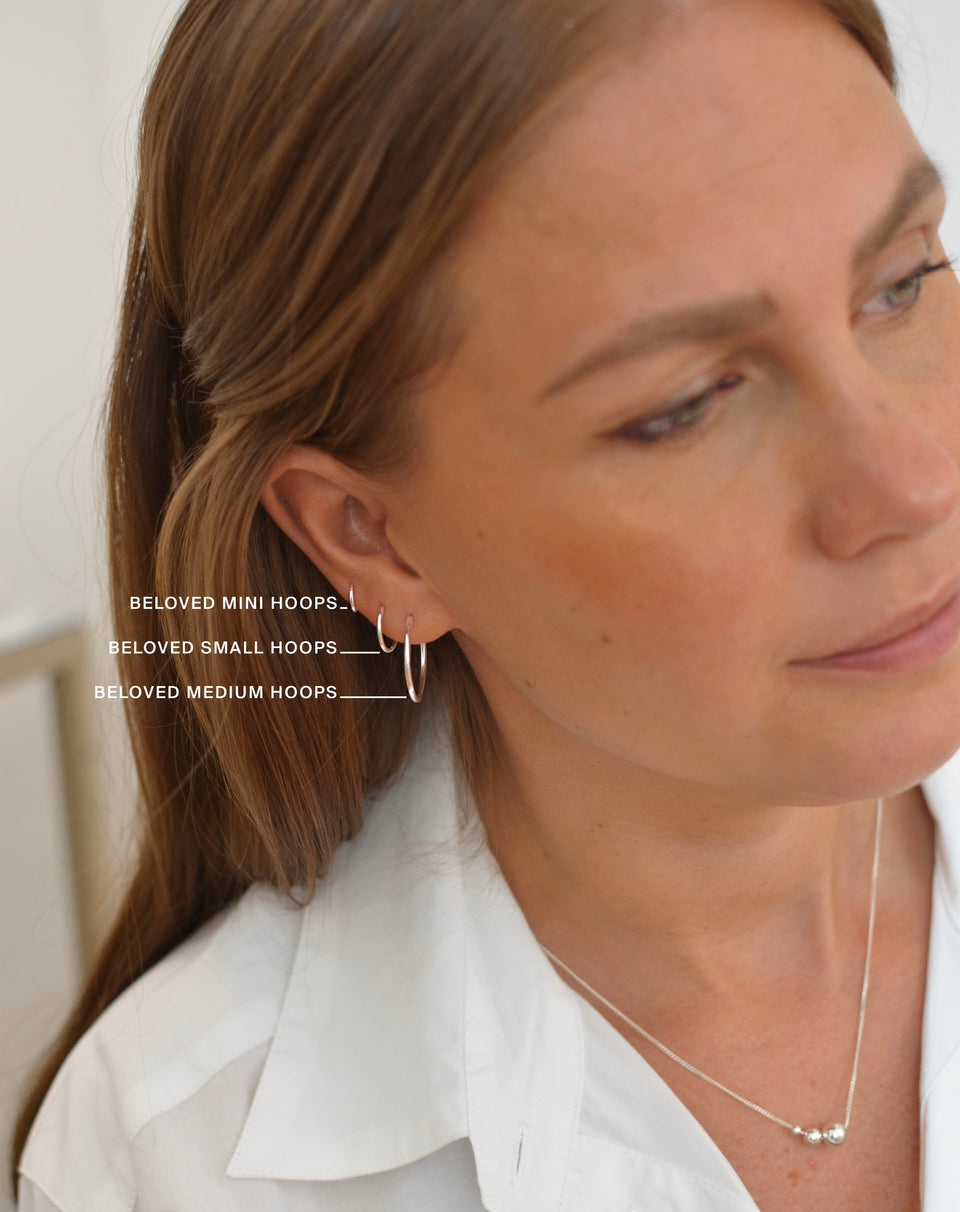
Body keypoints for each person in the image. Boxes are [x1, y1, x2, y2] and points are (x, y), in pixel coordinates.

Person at [11, 0, 960, 1207]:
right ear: (372, 539)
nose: (917, 482)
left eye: (902, 282)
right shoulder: (169, 1159)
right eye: (683, 405)